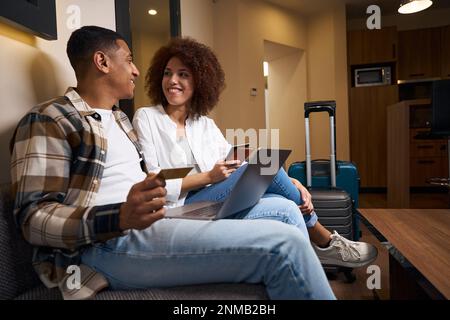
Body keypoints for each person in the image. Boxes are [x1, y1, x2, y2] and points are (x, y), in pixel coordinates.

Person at [9, 25, 335, 300]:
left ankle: (312, 257)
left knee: (282, 209)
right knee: (285, 244)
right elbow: (33, 218)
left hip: (160, 220)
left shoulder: (119, 120)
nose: (136, 70)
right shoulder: (50, 119)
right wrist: (119, 217)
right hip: (107, 244)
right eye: (130, 60)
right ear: (102, 62)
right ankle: (323, 243)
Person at [133, 37, 377, 269]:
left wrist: (292, 181)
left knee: (287, 204)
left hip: (214, 197)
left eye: (183, 74)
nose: (172, 80)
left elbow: (236, 161)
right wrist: (209, 177)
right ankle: (325, 241)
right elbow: (155, 179)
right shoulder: (147, 117)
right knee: (265, 163)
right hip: (180, 207)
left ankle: (309, 266)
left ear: (199, 82)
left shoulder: (204, 123)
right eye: (168, 73)